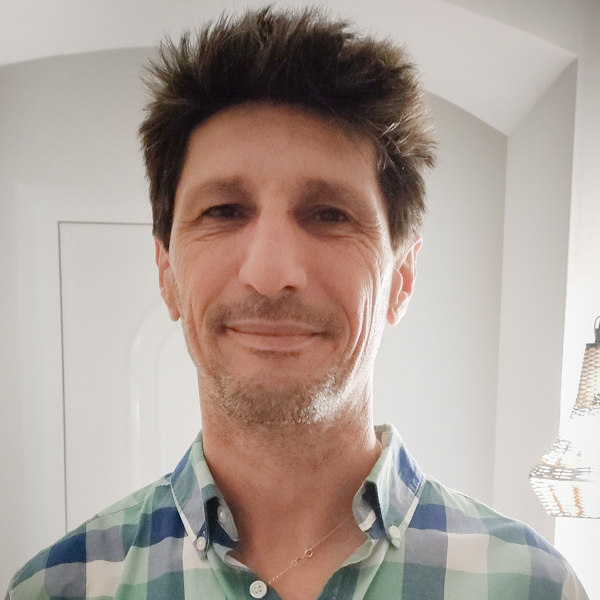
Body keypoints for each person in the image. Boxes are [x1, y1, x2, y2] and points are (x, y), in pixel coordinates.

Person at [5, 6, 589, 600]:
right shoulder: (55, 589)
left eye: (330, 214)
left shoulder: (533, 586)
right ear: (166, 272)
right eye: (223, 210)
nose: (269, 274)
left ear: (401, 278)